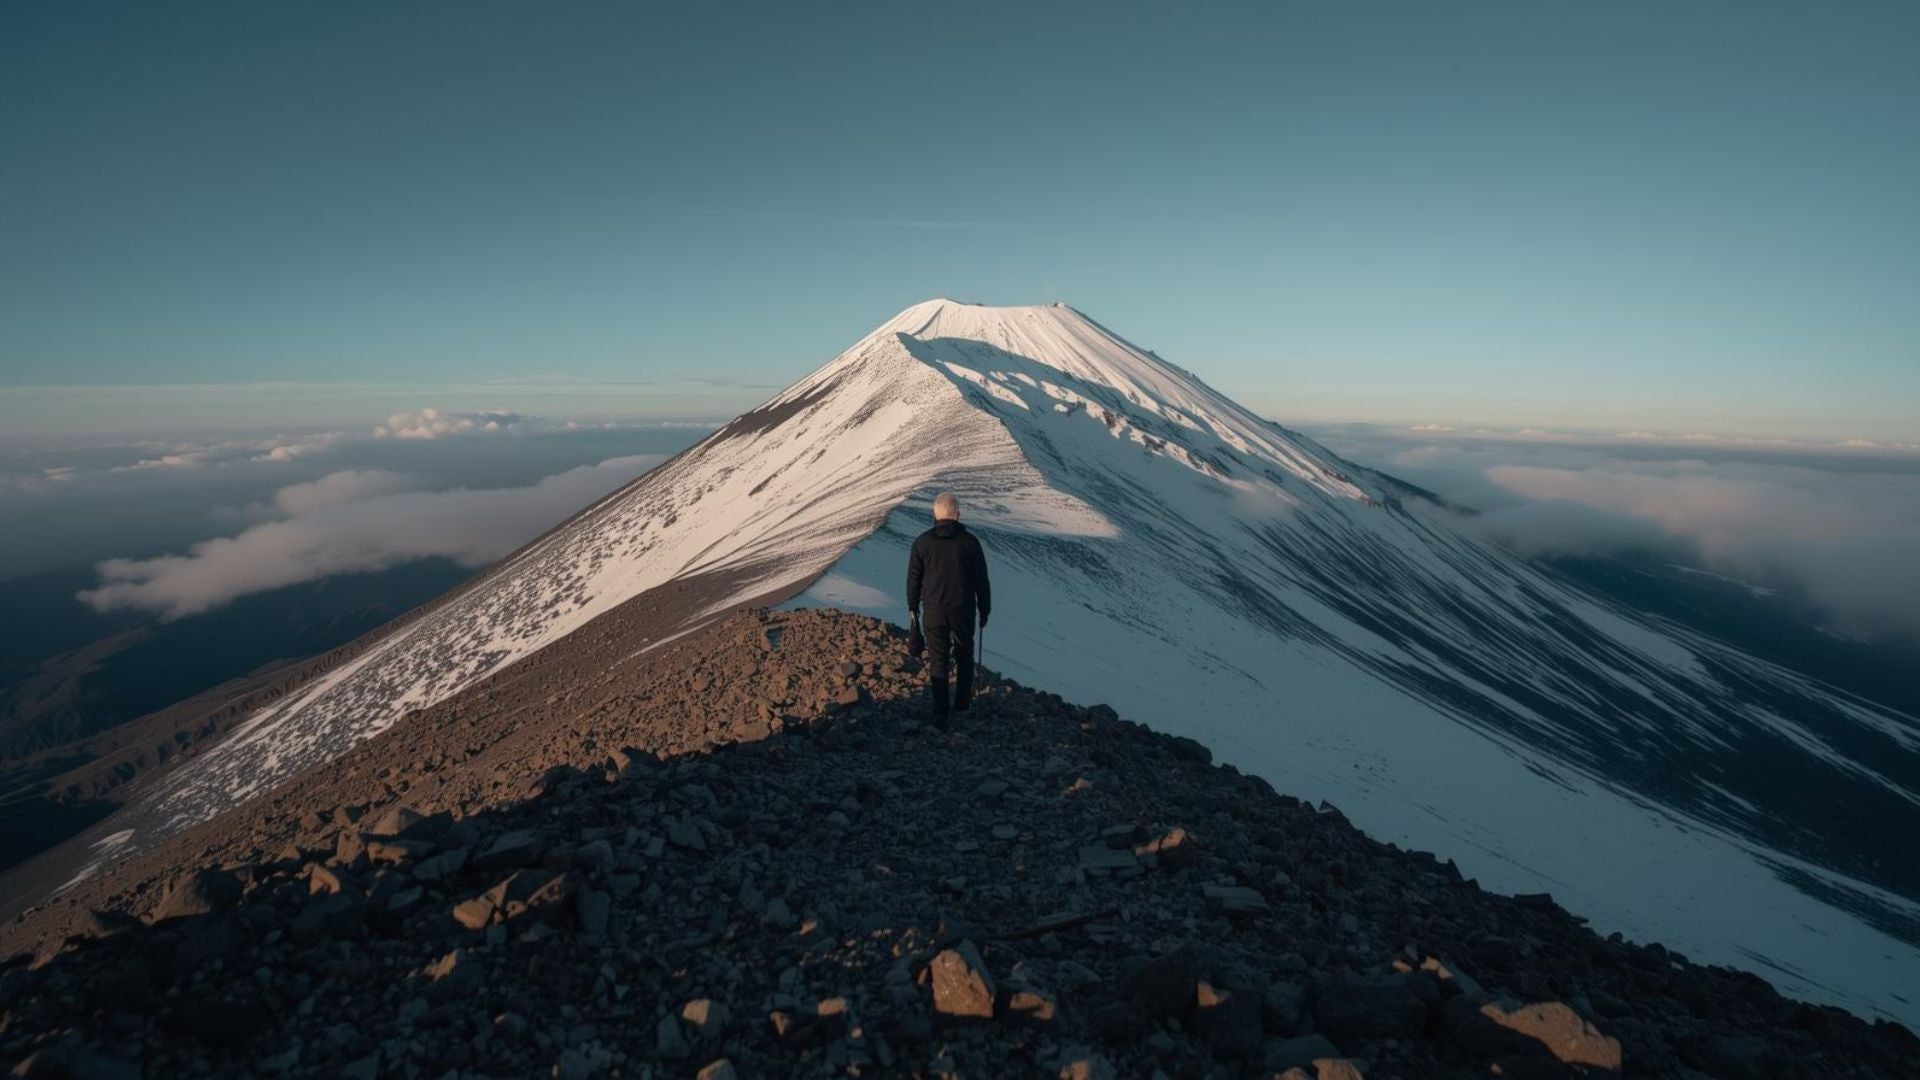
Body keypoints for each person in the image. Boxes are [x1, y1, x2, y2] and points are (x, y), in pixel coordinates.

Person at [906, 492, 991, 728]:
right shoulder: (970, 543)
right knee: (964, 654)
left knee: (938, 658)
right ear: (958, 514)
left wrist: (913, 608)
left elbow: (913, 579)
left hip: (933, 611)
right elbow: (981, 580)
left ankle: (940, 711)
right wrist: (985, 610)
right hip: (963, 610)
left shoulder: (922, 543)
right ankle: (963, 703)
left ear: (934, 514)